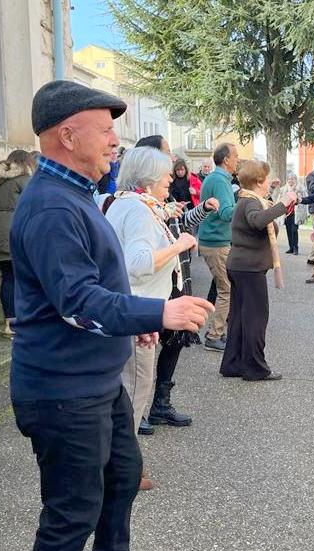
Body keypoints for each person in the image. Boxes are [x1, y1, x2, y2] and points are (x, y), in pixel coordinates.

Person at [8, 80, 214, 551]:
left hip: (95, 382)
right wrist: (158, 311)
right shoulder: (49, 204)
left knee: (121, 479)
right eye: (105, 130)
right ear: (66, 135)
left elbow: (99, 283)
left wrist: (129, 325)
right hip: (61, 391)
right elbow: (75, 300)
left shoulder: (75, 193)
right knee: (72, 508)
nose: (115, 141)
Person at [105, 147, 218, 489]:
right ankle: (124, 471)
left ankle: (120, 464)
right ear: (149, 177)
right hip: (138, 315)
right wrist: (181, 245)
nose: (172, 178)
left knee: (127, 394)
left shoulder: (119, 202)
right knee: (135, 394)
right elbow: (137, 264)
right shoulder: (138, 210)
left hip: (130, 311)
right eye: (166, 173)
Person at [132, 136, 198, 436]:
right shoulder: (136, 202)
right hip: (153, 284)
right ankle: (140, 410)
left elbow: (181, 226)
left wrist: (201, 211)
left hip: (173, 277)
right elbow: (137, 259)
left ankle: (159, 403)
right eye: (167, 155)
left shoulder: (160, 196)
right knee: (143, 351)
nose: (172, 163)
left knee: (173, 341)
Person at [220, 160, 297, 381]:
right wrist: (282, 204)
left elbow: (261, 212)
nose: (267, 184)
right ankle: (254, 368)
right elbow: (257, 221)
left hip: (241, 265)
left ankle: (233, 363)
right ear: (258, 181)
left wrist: (274, 196)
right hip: (249, 268)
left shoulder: (247, 199)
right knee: (255, 318)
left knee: (239, 317)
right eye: (265, 180)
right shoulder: (250, 202)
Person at [0, 149, 36, 338]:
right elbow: (33, 210)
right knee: (22, 279)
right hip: (15, 236)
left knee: (8, 278)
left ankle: (10, 324)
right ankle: (21, 322)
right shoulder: (24, 181)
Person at [198, 142, 239, 352]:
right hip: (216, 242)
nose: (238, 160)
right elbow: (226, 213)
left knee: (222, 287)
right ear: (226, 159)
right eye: (236, 156)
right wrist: (247, 203)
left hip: (212, 241)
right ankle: (214, 335)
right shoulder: (221, 180)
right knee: (226, 290)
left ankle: (216, 330)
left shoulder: (215, 178)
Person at [278, 173, 307, 254]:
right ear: (287, 180)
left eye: (293, 179)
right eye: (289, 179)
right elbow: (280, 200)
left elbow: (304, 200)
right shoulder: (283, 189)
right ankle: (290, 247)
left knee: (294, 230)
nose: (291, 181)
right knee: (288, 230)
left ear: (296, 180)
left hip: (296, 212)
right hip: (287, 212)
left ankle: (295, 248)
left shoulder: (300, 189)